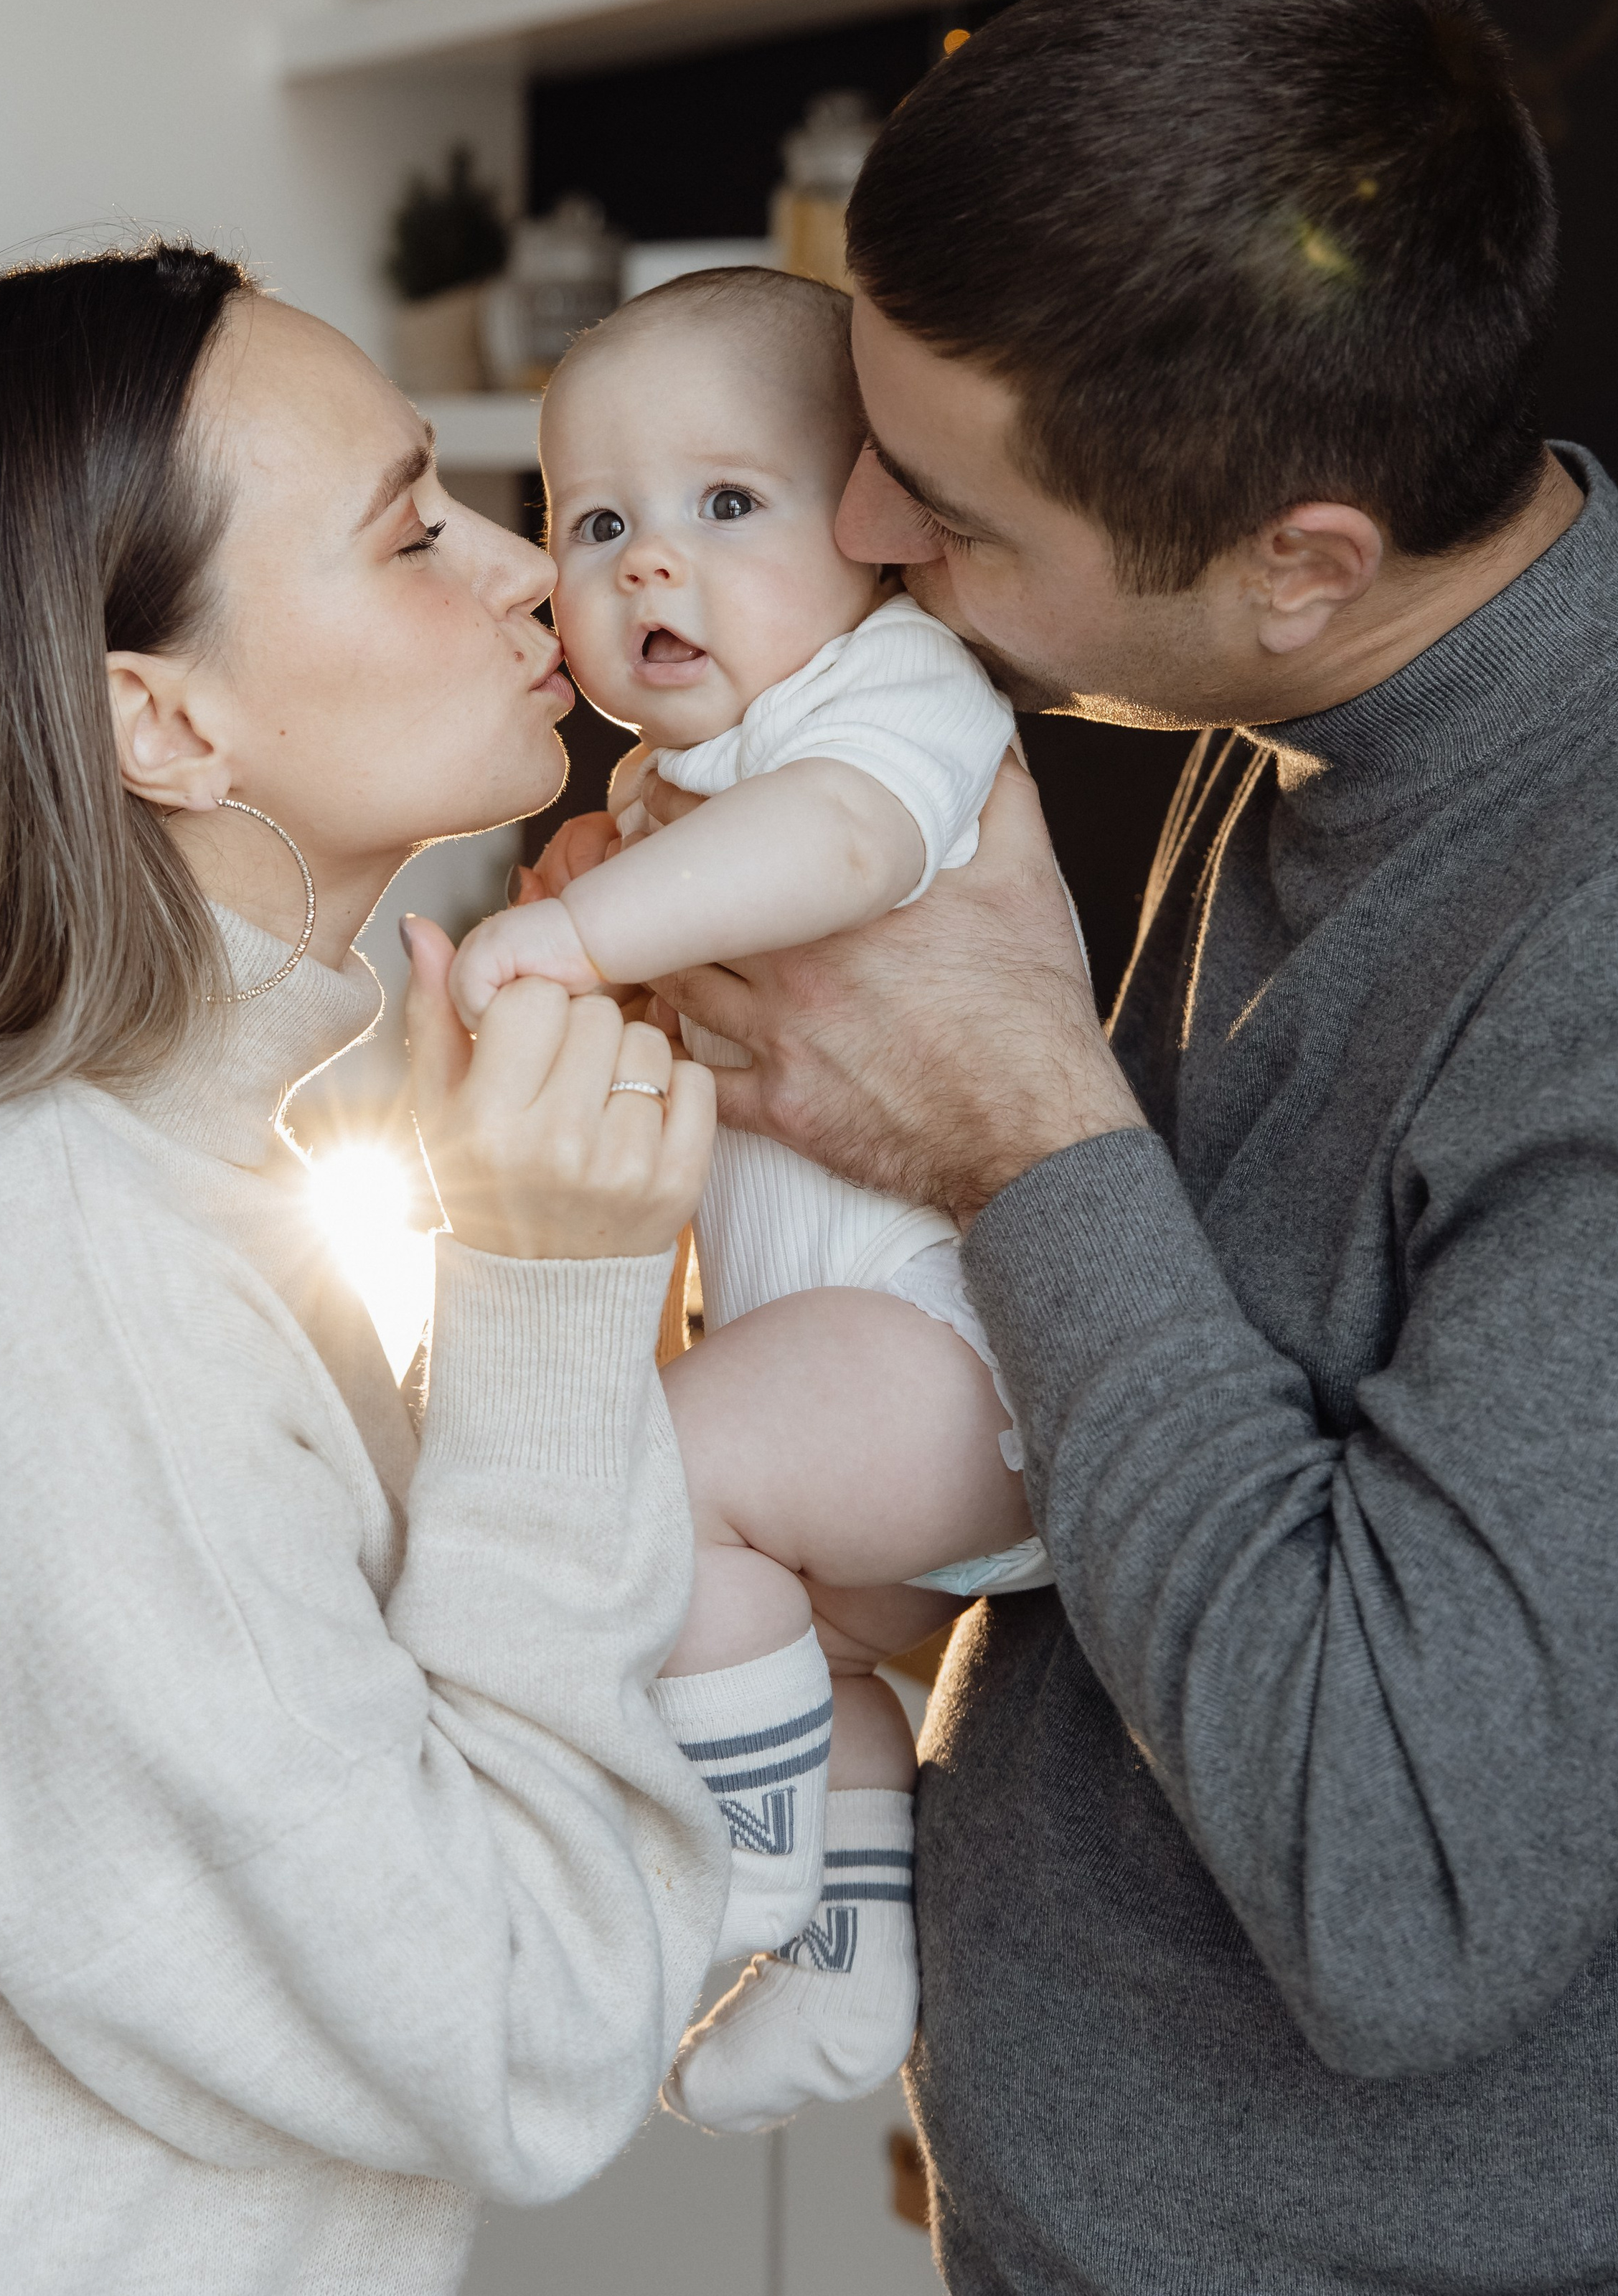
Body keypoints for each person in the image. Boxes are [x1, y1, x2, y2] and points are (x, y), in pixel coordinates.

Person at [590, 0, 1618, 2290]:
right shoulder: (1288, 728)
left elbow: (1407, 1884)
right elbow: (1121, 1454)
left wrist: (1029, 1135)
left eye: (947, 510)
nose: (860, 532)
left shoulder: (1611, 938)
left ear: (1301, 564)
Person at [0, 243, 724, 2295]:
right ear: (160, 718)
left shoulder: (199, 1167)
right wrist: (552, 1307)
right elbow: (512, 2028)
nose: (525, 573)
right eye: (412, 529)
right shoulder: (40, 1259)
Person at [453, 265, 1052, 2135]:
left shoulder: (898, 702)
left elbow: (837, 850)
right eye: (598, 523)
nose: (650, 570)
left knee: (642, 1476)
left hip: (962, 1361)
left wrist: (573, 929)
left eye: (728, 505)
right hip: (847, 1407)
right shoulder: (668, 779)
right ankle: (841, 1955)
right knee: (777, 1631)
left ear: (872, 536)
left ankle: (739, 1863)